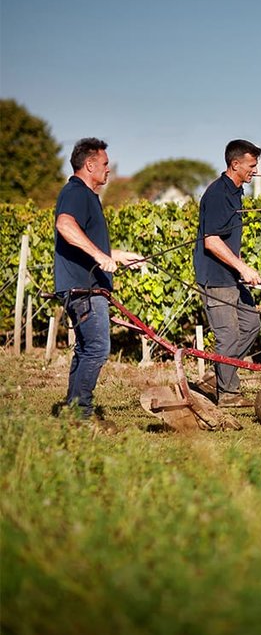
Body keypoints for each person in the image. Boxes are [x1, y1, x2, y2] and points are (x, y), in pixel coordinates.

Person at [54, 138, 144, 432]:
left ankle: (72, 412)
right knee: (97, 349)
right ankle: (82, 415)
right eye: (105, 164)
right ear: (90, 164)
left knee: (85, 349)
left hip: (85, 287)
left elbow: (88, 246)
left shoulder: (87, 196)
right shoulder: (77, 192)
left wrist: (117, 256)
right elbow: (65, 225)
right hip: (84, 289)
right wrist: (98, 256)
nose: (108, 170)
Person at [194, 139, 261, 407]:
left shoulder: (235, 192)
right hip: (216, 278)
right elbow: (211, 241)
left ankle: (220, 375)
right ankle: (229, 395)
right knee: (228, 336)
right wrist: (242, 267)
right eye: (251, 165)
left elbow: (228, 239)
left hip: (232, 276)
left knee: (251, 325)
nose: (255, 171)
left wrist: (242, 266)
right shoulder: (217, 195)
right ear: (235, 164)